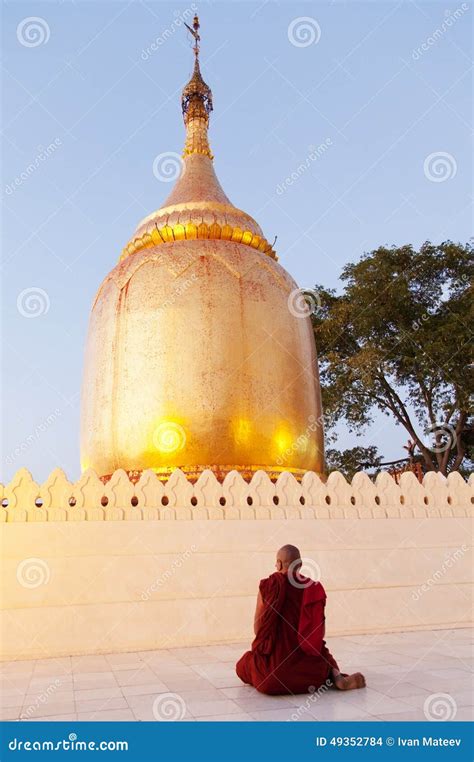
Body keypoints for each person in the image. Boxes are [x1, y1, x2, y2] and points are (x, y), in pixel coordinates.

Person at [236, 544, 366, 695]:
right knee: (324, 658)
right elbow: (319, 634)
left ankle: (280, 678)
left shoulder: (268, 585)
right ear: (300, 565)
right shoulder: (314, 588)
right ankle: (335, 677)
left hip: (273, 678)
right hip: (311, 674)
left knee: (243, 665)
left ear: (278, 564)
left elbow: (258, 629)